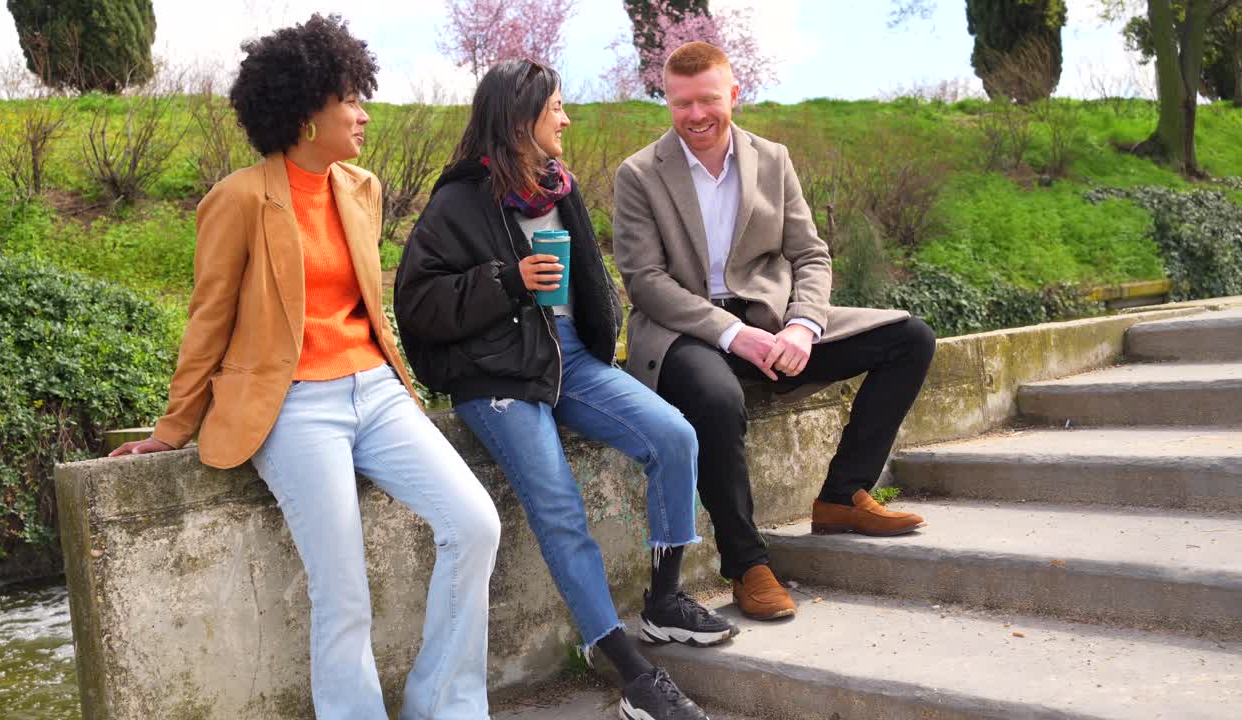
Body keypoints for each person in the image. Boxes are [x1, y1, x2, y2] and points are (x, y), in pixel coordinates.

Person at [107, 15, 500, 720]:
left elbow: (365, 309)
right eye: (349, 97)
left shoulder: (363, 189)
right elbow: (208, 322)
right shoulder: (236, 200)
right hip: (292, 405)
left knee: (476, 524)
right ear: (304, 109)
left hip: (376, 390)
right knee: (342, 588)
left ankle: (446, 705)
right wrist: (172, 429)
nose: (363, 112)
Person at [394, 59, 728, 720]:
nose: (567, 119)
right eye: (556, 110)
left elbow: (589, 277)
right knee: (560, 510)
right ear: (522, 120)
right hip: (499, 375)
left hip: (570, 360)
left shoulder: (557, 186)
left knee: (675, 435)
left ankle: (664, 601)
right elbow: (418, 303)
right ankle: (632, 675)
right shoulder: (457, 200)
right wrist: (508, 280)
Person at [612, 42, 937, 623]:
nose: (695, 116)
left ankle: (842, 496)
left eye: (708, 100)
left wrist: (804, 325)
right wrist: (734, 335)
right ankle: (747, 564)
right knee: (716, 398)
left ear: (734, 94)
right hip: (684, 332)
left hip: (776, 322)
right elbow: (646, 282)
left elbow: (810, 254)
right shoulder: (639, 173)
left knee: (910, 339)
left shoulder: (773, 159)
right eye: (680, 103)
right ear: (667, 100)